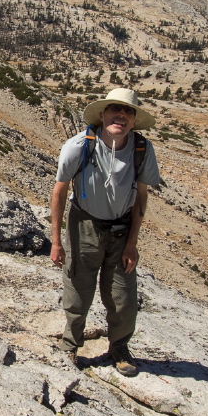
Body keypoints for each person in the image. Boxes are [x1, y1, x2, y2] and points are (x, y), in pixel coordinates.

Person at [50, 87, 159, 377]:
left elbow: (142, 197)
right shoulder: (79, 146)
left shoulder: (141, 149)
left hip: (121, 229)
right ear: (103, 114)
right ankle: (71, 345)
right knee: (78, 289)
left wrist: (132, 243)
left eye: (127, 112)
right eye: (114, 109)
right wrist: (57, 242)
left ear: (134, 120)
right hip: (83, 225)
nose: (120, 115)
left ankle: (119, 348)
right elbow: (59, 192)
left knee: (123, 296)